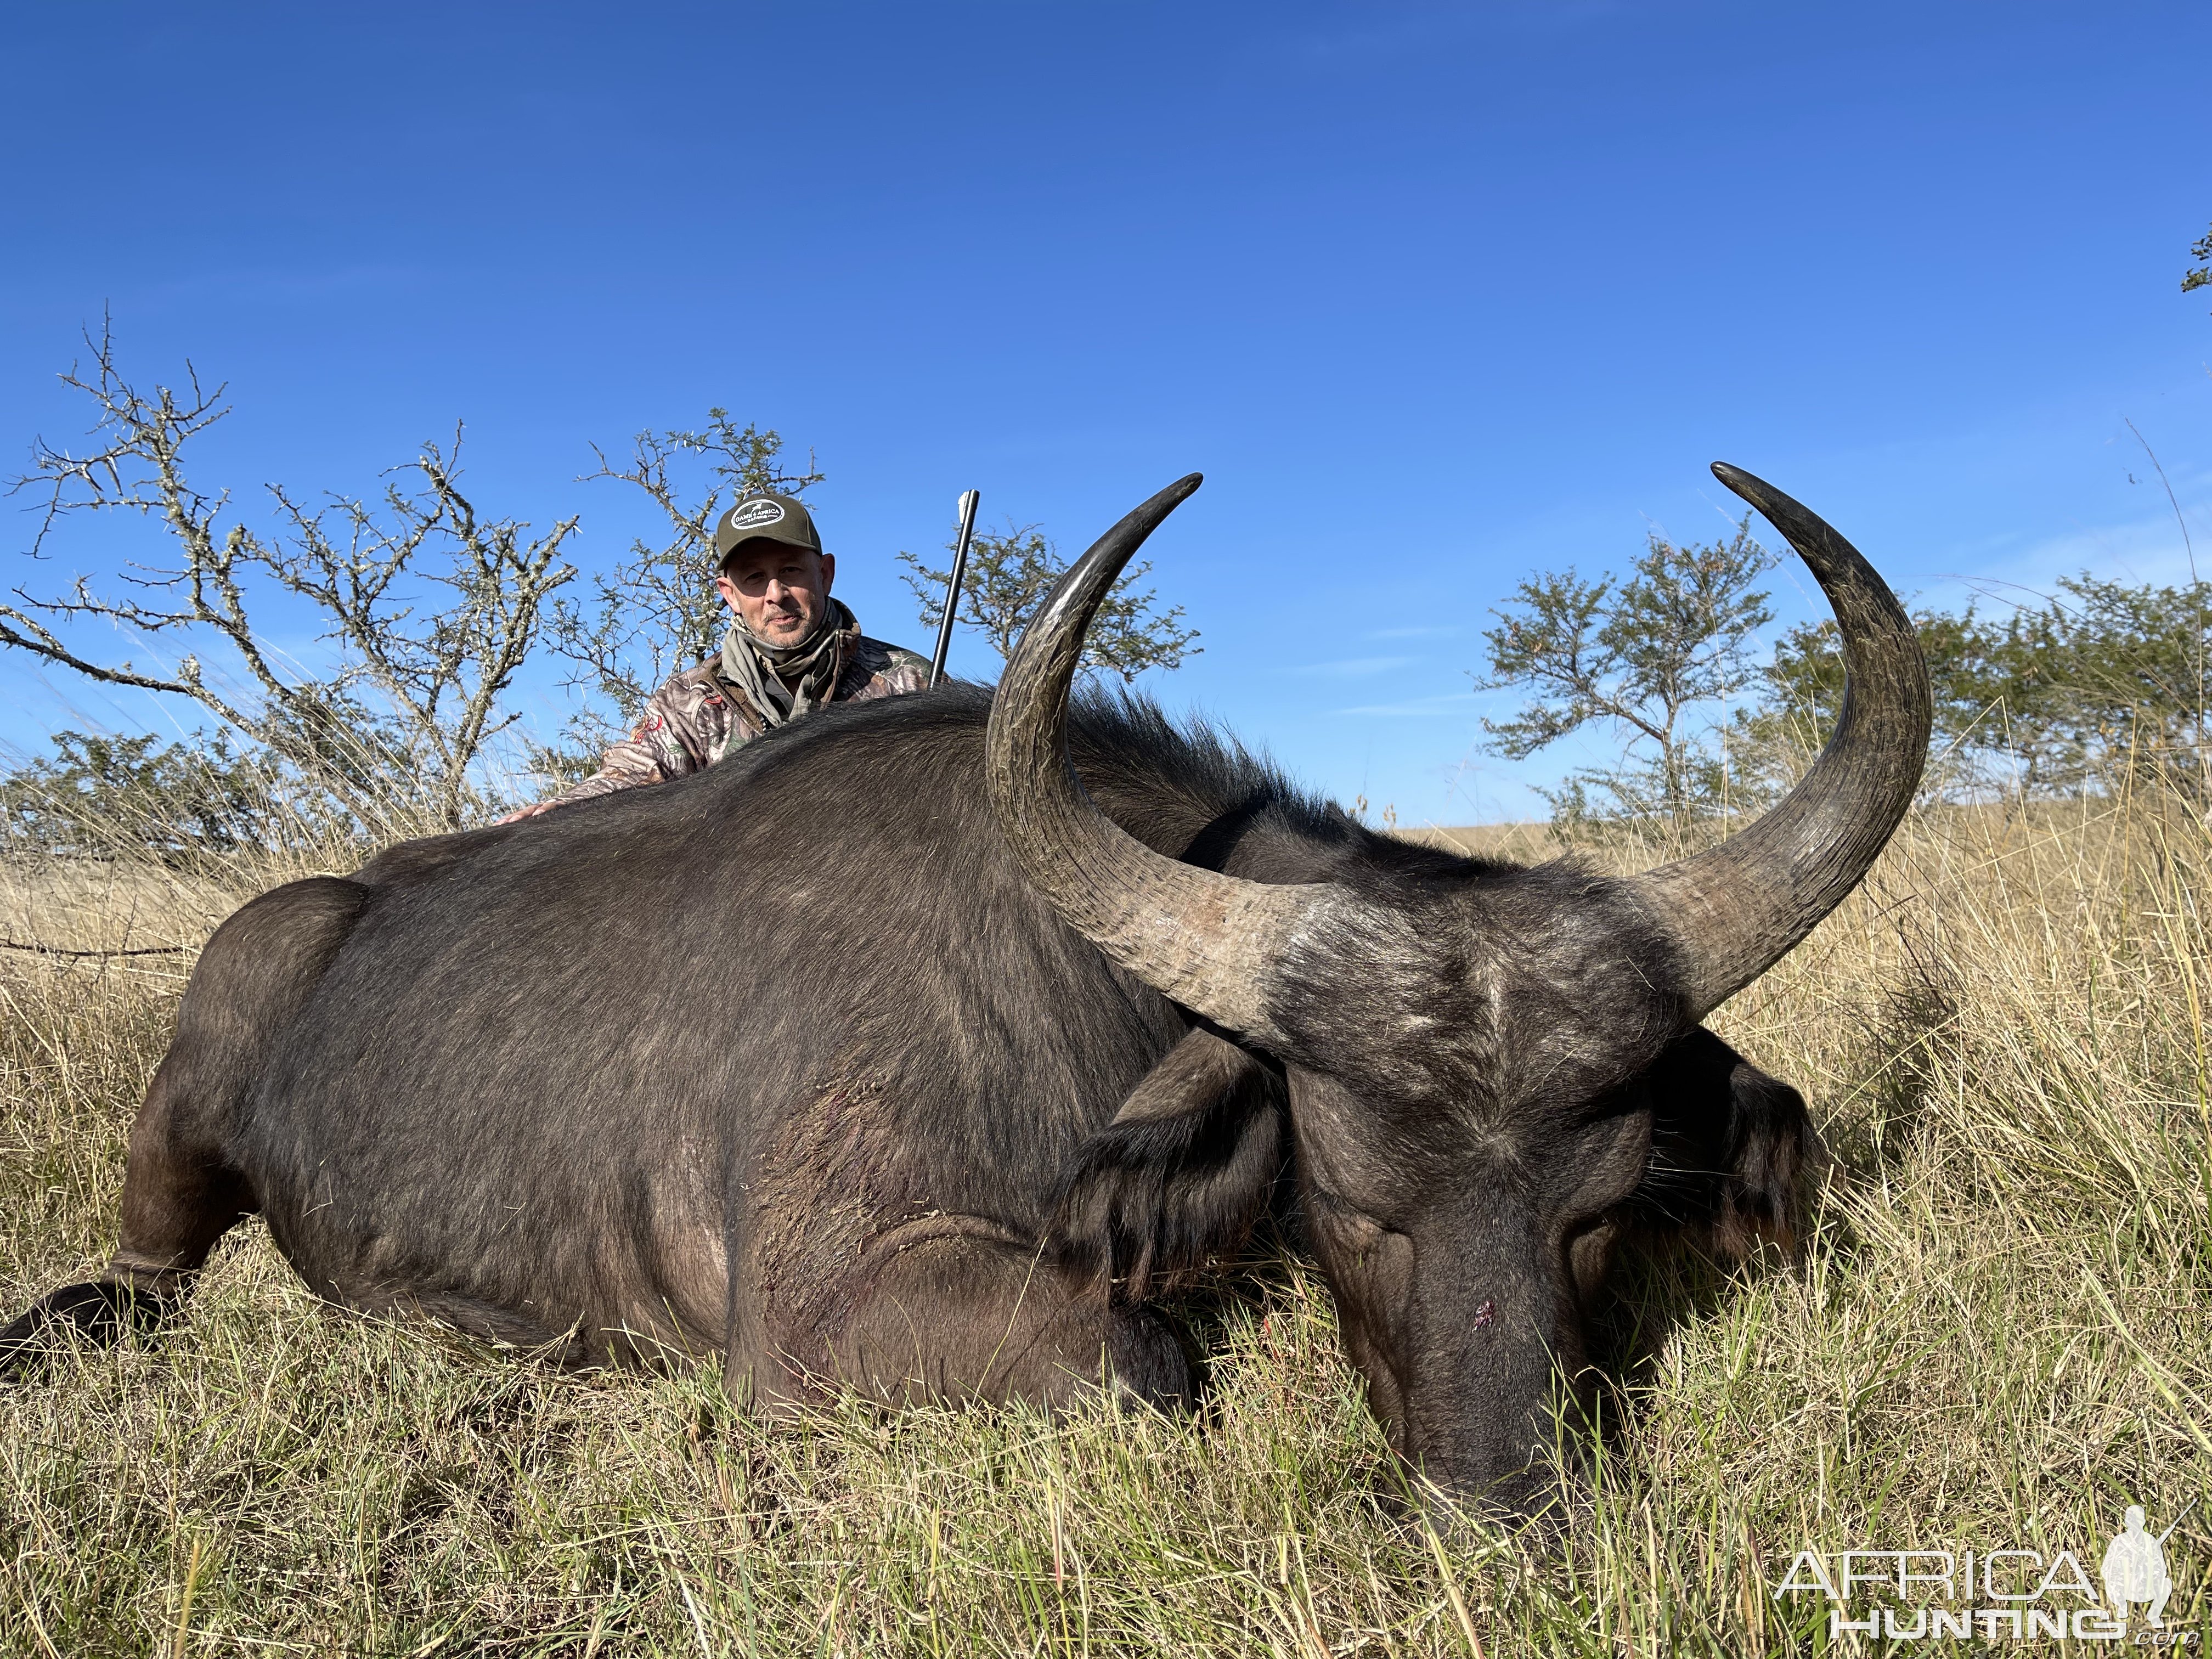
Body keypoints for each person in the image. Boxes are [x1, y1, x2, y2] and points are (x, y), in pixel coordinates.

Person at [506, 493, 931, 819]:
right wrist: (561, 809)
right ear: (728, 594)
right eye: (754, 578)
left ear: (825, 574)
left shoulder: (912, 684)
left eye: (790, 571)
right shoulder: (688, 699)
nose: (775, 595)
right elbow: (629, 773)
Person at [2100, 1505, 2171, 1627]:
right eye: (2131, 1520)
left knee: (2167, 1583)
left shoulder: (2150, 1541)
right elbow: (2106, 1568)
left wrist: (2148, 1569)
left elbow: (2162, 1568)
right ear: (2126, 1522)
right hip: (2123, 1589)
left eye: (2138, 1519)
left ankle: (2154, 1615)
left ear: (2143, 1521)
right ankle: (2122, 1609)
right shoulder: (2119, 1541)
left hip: (2145, 1588)